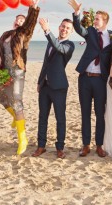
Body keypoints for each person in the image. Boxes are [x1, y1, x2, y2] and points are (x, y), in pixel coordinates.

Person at [68, 0, 112, 158]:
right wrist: (76, 14)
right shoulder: (89, 32)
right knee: (85, 113)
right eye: (95, 19)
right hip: (85, 78)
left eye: (98, 19)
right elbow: (79, 28)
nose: (95, 21)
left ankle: (99, 145)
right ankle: (85, 145)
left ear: (105, 21)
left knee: (99, 113)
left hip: (101, 80)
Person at [0, 0, 41, 155]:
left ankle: (23, 139)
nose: (19, 22)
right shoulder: (5, 35)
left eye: (22, 20)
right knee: (3, 100)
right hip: (4, 72)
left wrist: (33, 7)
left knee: (16, 101)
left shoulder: (24, 35)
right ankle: (16, 118)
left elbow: (30, 24)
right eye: (17, 19)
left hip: (18, 72)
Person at [32, 18, 75, 159]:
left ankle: (60, 148)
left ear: (71, 31)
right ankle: (41, 146)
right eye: (63, 26)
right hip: (45, 86)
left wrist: (46, 30)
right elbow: (45, 64)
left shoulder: (69, 45)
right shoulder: (50, 43)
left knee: (60, 118)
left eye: (68, 28)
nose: (64, 29)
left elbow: (59, 47)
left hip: (59, 87)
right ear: (59, 27)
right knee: (42, 117)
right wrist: (39, 82)